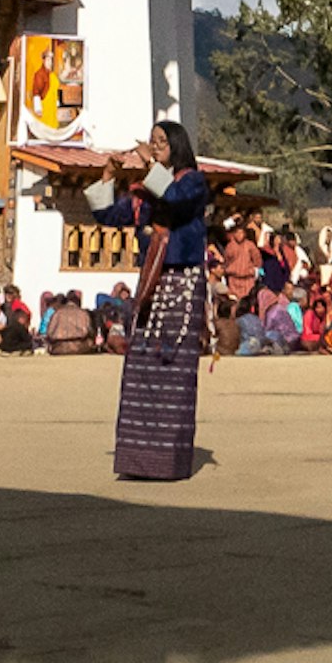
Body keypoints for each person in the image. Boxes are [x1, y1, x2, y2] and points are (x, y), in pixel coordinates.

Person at [86, 123, 213, 480]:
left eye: (162, 143)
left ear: (177, 147)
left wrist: (150, 169)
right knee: (142, 368)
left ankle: (168, 462)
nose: (155, 147)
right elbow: (108, 217)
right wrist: (107, 176)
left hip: (180, 284)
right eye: (152, 142)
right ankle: (138, 460)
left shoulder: (192, 183)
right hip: (150, 285)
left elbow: (173, 200)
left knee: (172, 367)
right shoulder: (144, 192)